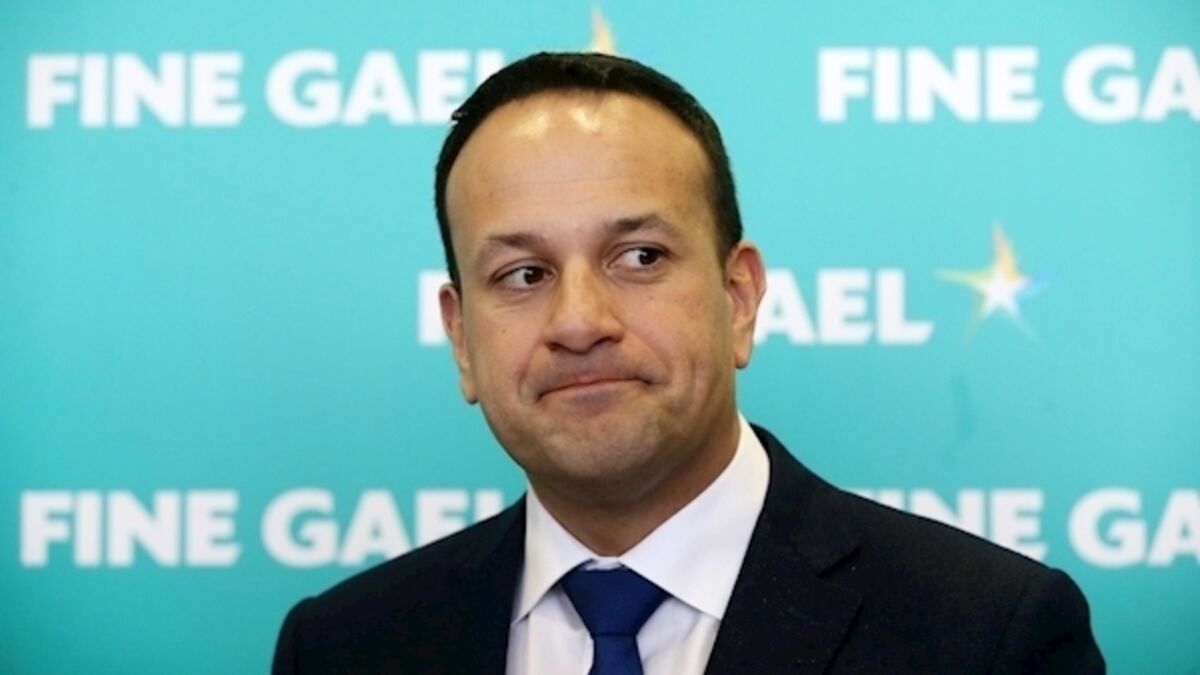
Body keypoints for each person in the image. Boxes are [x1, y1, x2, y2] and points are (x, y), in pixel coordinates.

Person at [272, 52, 1104, 674]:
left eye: (639, 256)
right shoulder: (343, 646)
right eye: (523, 274)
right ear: (461, 339)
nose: (579, 323)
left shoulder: (987, 635)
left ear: (738, 297)